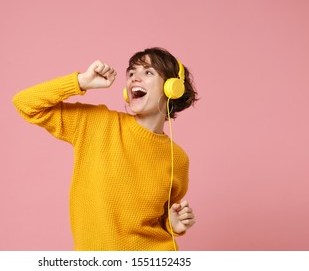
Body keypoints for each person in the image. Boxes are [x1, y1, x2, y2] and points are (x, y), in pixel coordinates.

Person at [13, 47, 198, 251]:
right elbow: (25, 103)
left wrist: (173, 225)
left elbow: (163, 215)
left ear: (171, 88)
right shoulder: (96, 123)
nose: (135, 78)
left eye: (148, 72)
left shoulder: (178, 158)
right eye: (131, 73)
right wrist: (80, 82)